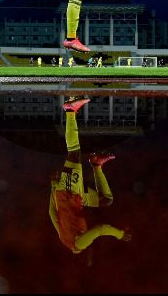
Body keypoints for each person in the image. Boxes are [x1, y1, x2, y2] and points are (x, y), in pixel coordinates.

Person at [50, 97, 131, 256]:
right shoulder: (64, 239)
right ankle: (96, 164)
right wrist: (53, 188)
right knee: (106, 200)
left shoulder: (77, 244)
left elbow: (100, 229)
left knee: (74, 153)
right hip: (76, 199)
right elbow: (52, 214)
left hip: (68, 193)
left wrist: (120, 234)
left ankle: (70, 110)